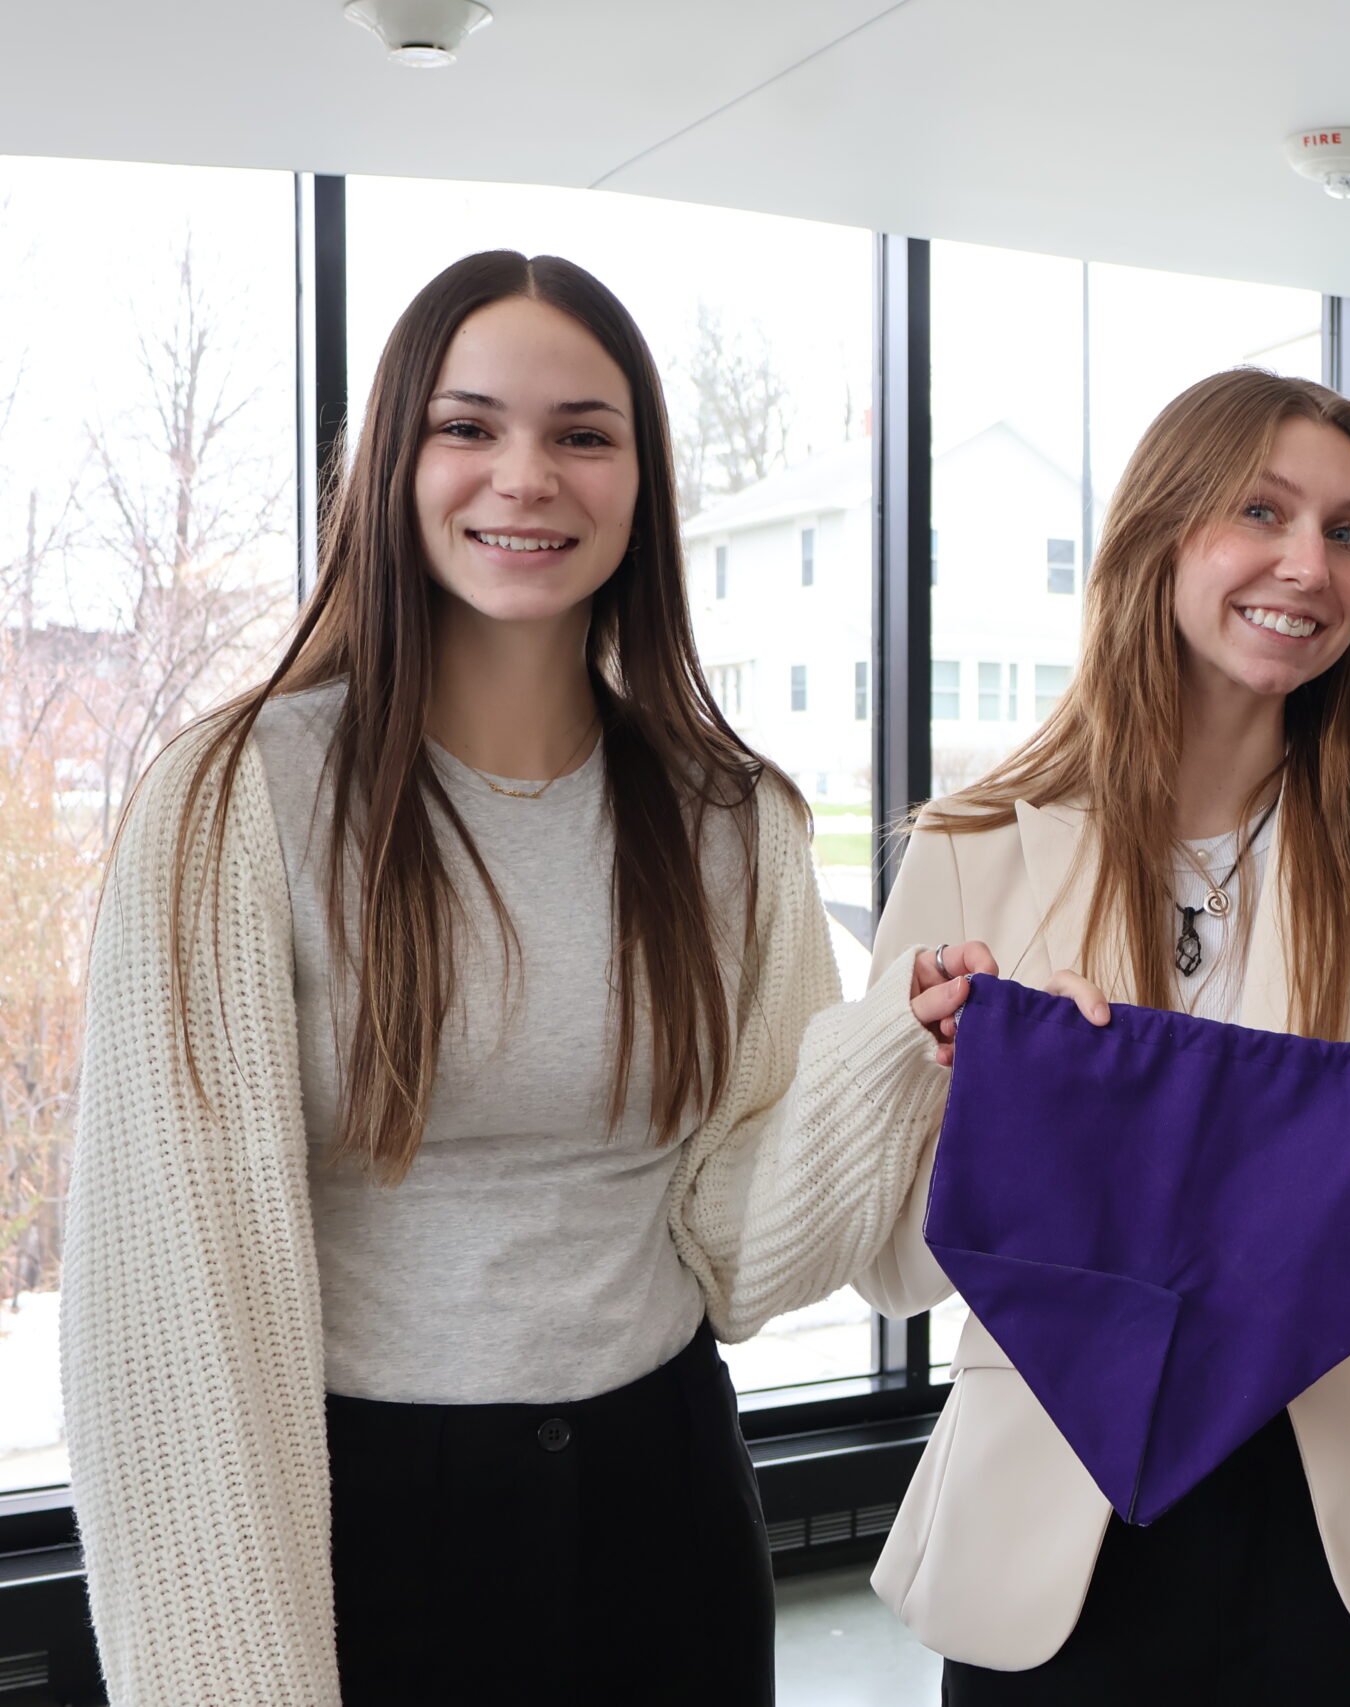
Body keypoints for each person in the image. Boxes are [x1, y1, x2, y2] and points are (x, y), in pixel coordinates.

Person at [62, 251, 936, 1707]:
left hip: (669, 1498)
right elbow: (172, 1302)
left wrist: (883, 1056)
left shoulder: (737, 819)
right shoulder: (236, 799)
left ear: (643, 482)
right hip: (364, 1516)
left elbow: (731, 1253)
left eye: (583, 435)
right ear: (393, 461)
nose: (525, 476)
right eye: (468, 427)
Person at [843, 367, 1350, 1703]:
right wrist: (924, 1095)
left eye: (1348, 532)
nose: (1307, 565)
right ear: (1157, 536)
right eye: (1259, 511)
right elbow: (889, 1271)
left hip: (1348, 1537)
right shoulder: (974, 855)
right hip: (1052, 1535)